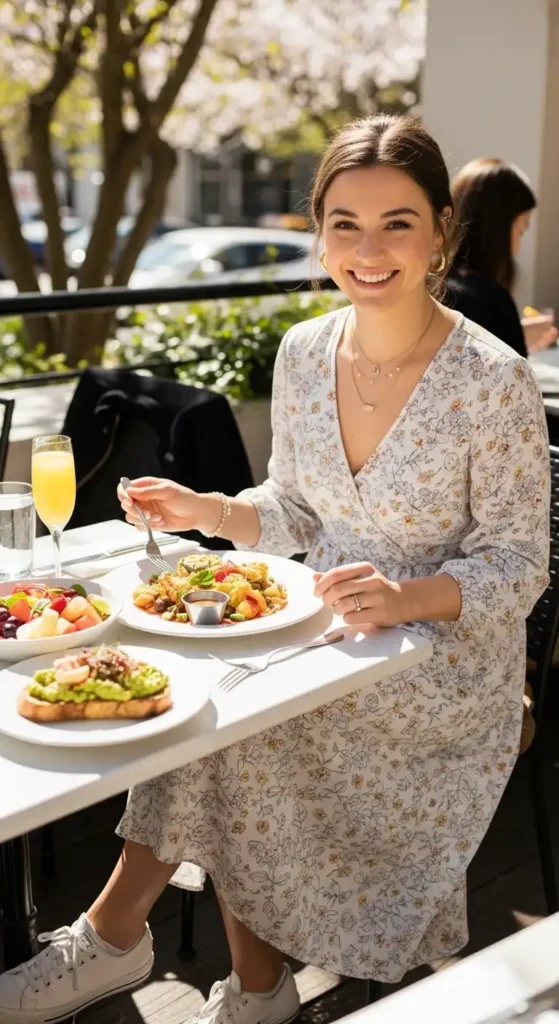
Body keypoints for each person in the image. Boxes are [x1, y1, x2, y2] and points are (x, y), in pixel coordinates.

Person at [0, 115, 551, 1024]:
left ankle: (129, 945)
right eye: (344, 223)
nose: (367, 250)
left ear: (440, 227)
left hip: (440, 662)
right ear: (319, 229)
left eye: (396, 223)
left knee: (227, 736)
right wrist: (207, 510)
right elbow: (296, 510)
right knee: (205, 714)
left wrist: (401, 596)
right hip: (322, 635)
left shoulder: (490, 381)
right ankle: (225, 978)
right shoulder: (303, 353)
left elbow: (518, 563)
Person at [445, 157, 557, 356]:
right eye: (520, 231)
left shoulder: (432, 286)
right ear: (498, 230)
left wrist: (518, 333)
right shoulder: (492, 301)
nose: (516, 249)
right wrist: (512, 335)